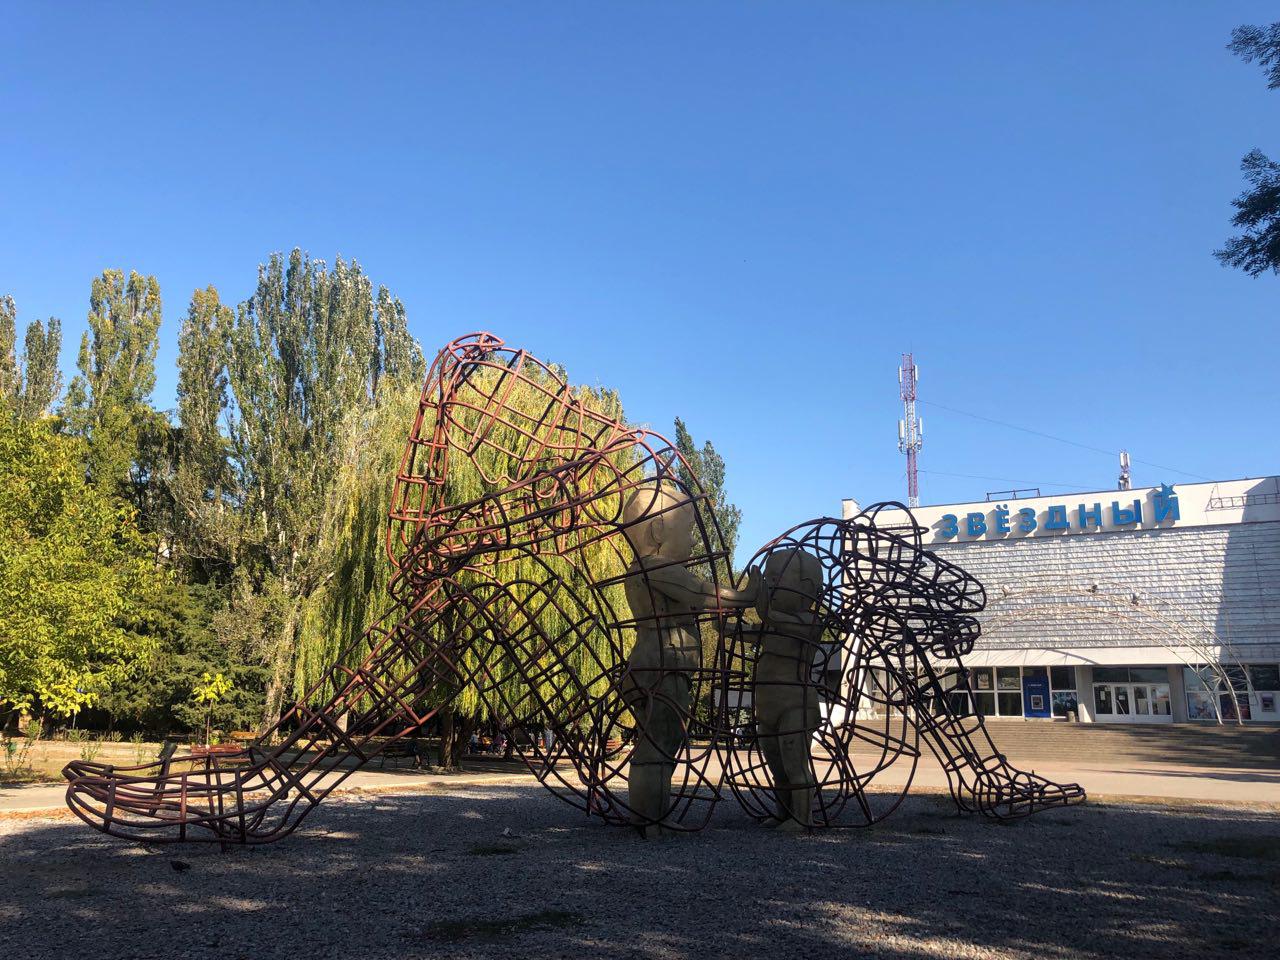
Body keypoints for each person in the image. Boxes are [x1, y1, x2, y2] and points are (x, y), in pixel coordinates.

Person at [619, 479, 760, 837]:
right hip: (660, 665)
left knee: (664, 742)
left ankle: (655, 814)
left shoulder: (648, 568)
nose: (696, 542)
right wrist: (746, 597)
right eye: (690, 532)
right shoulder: (655, 568)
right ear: (658, 529)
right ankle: (648, 819)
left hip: (664, 664)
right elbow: (699, 592)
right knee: (657, 742)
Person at [751, 547, 824, 831]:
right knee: (777, 765)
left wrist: (766, 612)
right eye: (767, 579)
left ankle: (802, 817)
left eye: (775, 578)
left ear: (805, 586)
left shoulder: (809, 622)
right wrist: (728, 628)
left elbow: (785, 626)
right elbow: (757, 632)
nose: (768, 584)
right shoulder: (772, 622)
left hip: (795, 705)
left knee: (795, 762)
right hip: (768, 705)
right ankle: (783, 812)